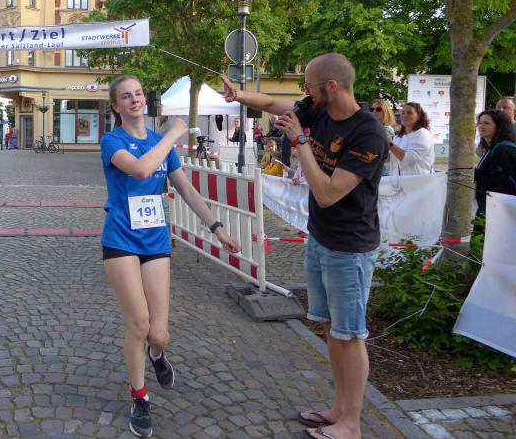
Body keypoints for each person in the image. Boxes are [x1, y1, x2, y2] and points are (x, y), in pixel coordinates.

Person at [221, 53, 387, 439]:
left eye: (309, 86)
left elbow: (327, 193)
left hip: (350, 248)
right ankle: (339, 409)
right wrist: (238, 95)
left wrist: (299, 142)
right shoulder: (320, 110)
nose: (304, 93)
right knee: (331, 329)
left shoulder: (368, 134)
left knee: (350, 335)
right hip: (321, 238)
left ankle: (352, 424)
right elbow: (272, 103)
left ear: (332, 86)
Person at [101, 75, 240, 438]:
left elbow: (188, 191)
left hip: (155, 241)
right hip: (120, 239)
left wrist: (218, 229)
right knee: (139, 324)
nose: (134, 100)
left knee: (158, 334)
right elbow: (141, 169)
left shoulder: (161, 144)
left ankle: (157, 355)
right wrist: (172, 134)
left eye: (138, 94)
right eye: (126, 97)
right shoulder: (112, 141)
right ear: (116, 106)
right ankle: (140, 397)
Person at [474, 109, 516, 224]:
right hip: (490, 207)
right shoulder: (493, 147)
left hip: (499, 211)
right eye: (480, 122)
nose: (481, 126)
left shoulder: (502, 149)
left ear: (498, 127)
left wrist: (474, 174)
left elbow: (500, 184)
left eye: (486, 123)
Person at [389, 102, 435, 175]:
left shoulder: (422, 134)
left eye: (409, 113)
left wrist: (390, 144)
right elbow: (390, 158)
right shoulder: (398, 136)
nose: (404, 115)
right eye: (403, 112)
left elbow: (409, 161)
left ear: (418, 116)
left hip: (419, 181)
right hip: (399, 181)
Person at [369, 99, 397, 175]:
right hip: (377, 170)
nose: (374, 111)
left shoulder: (386, 129)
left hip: (383, 172)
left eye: (378, 109)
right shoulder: (376, 127)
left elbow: (381, 151)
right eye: (372, 109)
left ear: (385, 111)